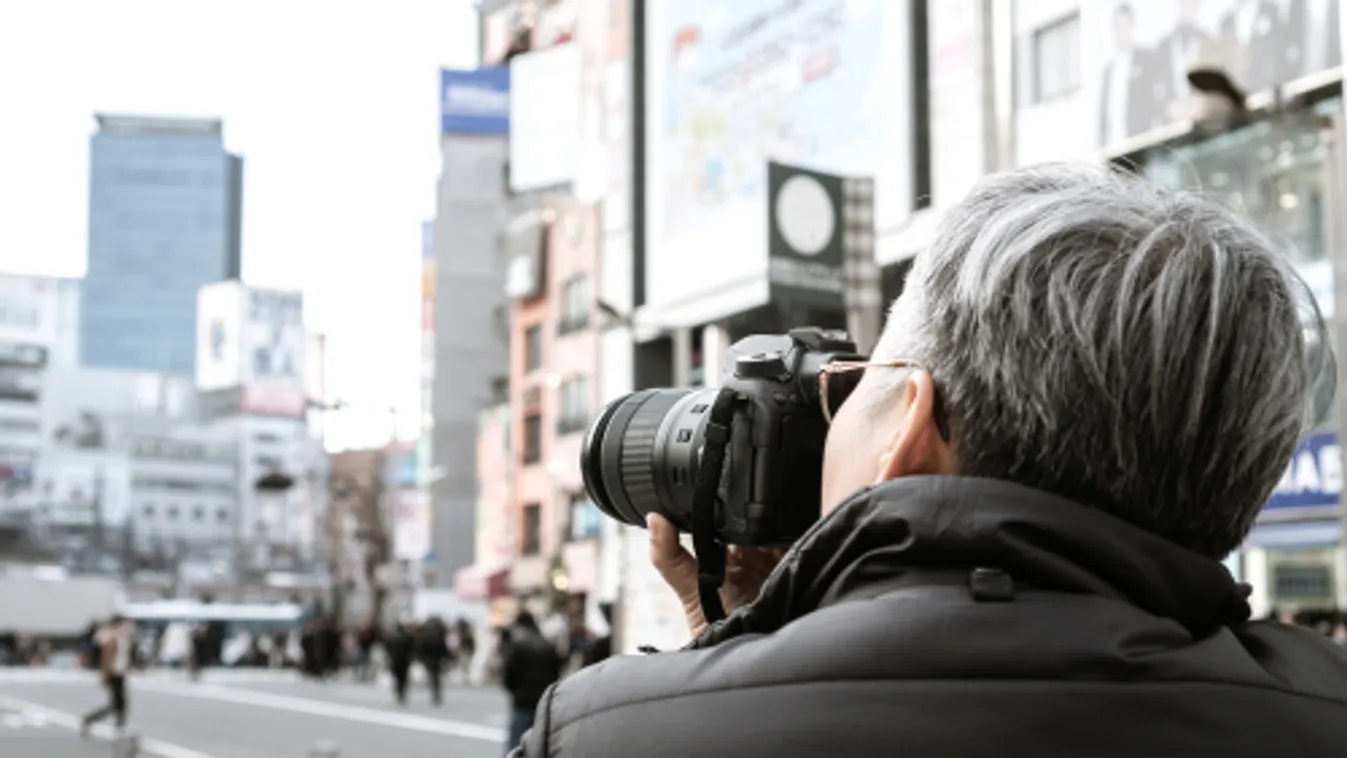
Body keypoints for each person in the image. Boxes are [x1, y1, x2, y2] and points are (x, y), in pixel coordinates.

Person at [508, 164, 1347, 757]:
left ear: (909, 423)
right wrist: (759, 637)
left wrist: (726, 663)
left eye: (852, 384)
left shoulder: (600, 733)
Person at [502, 611, 562, 756]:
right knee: (542, 746)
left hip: (522, 701)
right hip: (544, 701)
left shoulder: (518, 646)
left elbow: (509, 675)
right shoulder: (548, 645)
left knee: (515, 746)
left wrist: (514, 690)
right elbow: (556, 672)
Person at [80, 615, 134, 737]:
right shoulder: (111, 637)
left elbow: (123, 656)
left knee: (120, 702)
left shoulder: (121, 637)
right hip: (113, 673)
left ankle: (119, 724)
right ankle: (91, 719)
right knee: (117, 703)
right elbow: (107, 657)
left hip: (119, 672)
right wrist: (104, 674)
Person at [416, 615, 450, 705]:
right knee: (436, 676)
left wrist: (420, 656)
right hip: (437, 657)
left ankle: (435, 692)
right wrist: (447, 656)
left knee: (432, 675)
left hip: (429, 658)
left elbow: (421, 645)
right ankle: (436, 692)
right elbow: (444, 646)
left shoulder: (426, 632)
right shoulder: (440, 632)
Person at [384, 621, 415, 705]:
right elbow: (411, 648)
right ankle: (402, 692)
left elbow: (387, 647)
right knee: (403, 678)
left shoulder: (392, 637)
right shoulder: (407, 637)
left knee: (397, 678)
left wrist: (391, 656)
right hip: (404, 661)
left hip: (395, 660)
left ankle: (398, 692)